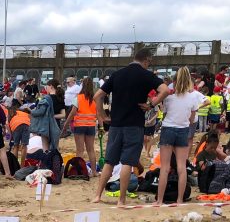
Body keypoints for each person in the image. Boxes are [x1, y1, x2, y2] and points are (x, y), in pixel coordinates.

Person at [91, 47, 168, 206]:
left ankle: (97, 195)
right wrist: (151, 104)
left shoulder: (117, 74)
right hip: (134, 125)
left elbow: (97, 95)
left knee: (110, 161)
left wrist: (102, 116)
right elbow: (165, 90)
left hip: (116, 124)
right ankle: (121, 200)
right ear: (146, 60)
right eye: (149, 62)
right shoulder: (146, 75)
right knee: (127, 162)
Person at [155, 67, 201, 206]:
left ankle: (160, 200)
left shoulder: (168, 96)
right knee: (182, 167)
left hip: (169, 128)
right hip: (182, 130)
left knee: (165, 167)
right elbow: (192, 119)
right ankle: (180, 200)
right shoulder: (193, 96)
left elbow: (165, 112)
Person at [63, 77, 97, 174]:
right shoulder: (94, 100)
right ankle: (94, 171)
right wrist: (101, 127)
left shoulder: (78, 98)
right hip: (91, 126)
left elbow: (72, 113)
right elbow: (98, 114)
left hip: (79, 125)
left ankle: (79, 171)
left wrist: (65, 124)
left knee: (80, 150)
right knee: (91, 150)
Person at [27, 79, 62, 151]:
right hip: (57, 125)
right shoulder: (60, 98)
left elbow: (41, 111)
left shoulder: (46, 99)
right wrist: (53, 116)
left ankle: (46, 161)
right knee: (55, 147)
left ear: (51, 87)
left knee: (45, 147)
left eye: (47, 86)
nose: (46, 88)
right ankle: (56, 161)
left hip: (46, 125)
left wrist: (31, 111)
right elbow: (63, 114)